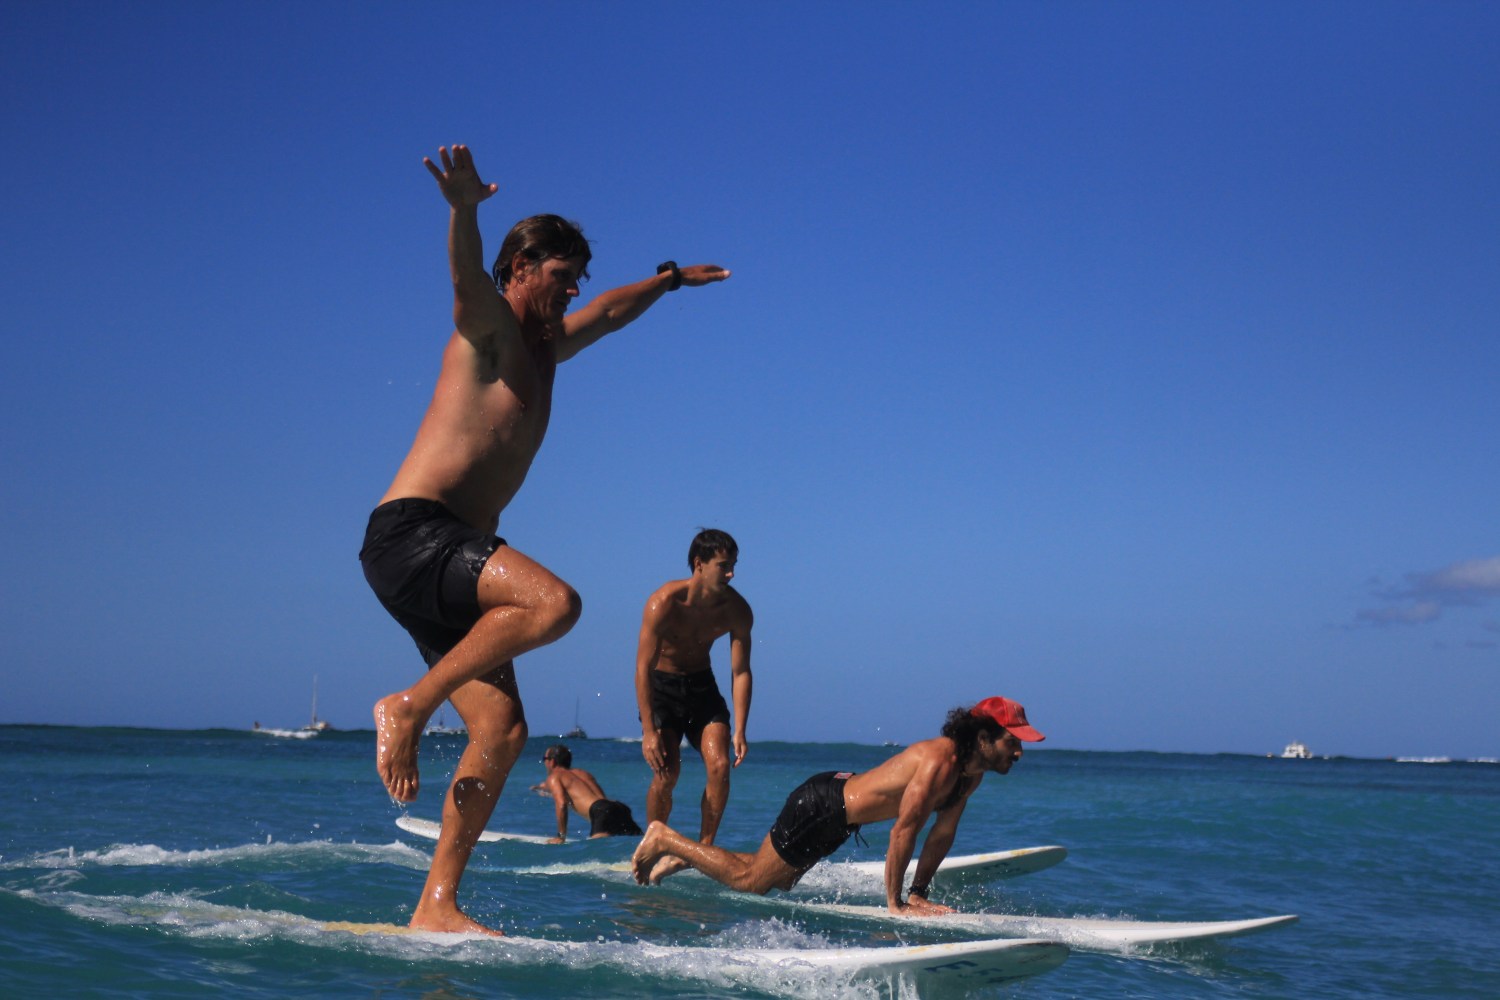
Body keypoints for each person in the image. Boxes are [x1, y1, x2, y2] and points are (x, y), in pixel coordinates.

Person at [359, 144, 730, 934]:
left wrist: (667, 282)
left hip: (445, 555)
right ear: (522, 267)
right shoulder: (491, 328)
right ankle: (409, 706)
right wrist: (464, 210)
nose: (572, 294)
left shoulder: (546, 347)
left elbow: (610, 314)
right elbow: (465, 290)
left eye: (576, 281)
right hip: (414, 532)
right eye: (562, 276)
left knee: (502, 731)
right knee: (554, 603)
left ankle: (436, 905)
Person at [631, 696, 1044, 915]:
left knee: (776, 878)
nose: (1020, 753)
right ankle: (666, 837)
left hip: (839, 815)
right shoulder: (940, 762)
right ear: (985, 736)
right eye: (1013, 741)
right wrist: (896, 905)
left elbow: (941, 835)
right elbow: (904, 830)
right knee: (753, 883)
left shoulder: (969, 776)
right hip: (822, 806)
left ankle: (689, 858)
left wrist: (919, 892)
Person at [634, 529, 753, 882]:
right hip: (662, 688)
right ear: (699, 565)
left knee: (719, 766)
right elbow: (642, 667)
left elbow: (741, 671)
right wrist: (648, 731)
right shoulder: (664, 602)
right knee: (667, 774)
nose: (731, 573)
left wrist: (741, 728)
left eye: (733, 565)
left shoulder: (737, 609)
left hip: (701, 687)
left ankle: (701, 851)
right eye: (724, 566)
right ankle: (654, 840)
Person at [538, 744, 642, 842]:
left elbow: (561, 804)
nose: (544, 763)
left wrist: (561, 836)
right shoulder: (582, 773)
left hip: (600, 811)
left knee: (598, 854)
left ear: (552, 762)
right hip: (618, 808)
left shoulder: (554, 777)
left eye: (544, 759)